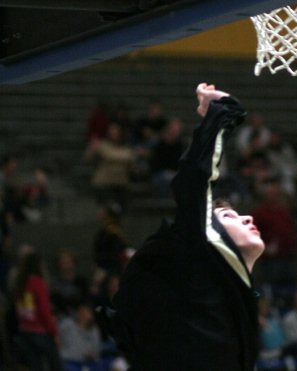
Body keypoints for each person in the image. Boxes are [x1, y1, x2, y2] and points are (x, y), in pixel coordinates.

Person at [102, 83, 265, 371]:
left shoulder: (233, 296)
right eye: (230, 217)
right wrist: (222, 112)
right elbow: (194, 180)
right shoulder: (199, 255)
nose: (247, 218)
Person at [12, 250, 62, 371]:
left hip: (24, 331)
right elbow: (44, 312)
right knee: (55, 364)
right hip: (39, 332)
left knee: (36, 365)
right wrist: (54, 332)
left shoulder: (20, 283)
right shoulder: (37, 283)